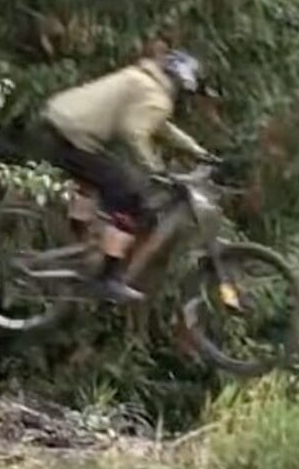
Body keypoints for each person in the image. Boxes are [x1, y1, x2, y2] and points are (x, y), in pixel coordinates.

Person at [38, 49, 217, 303]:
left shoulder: (144, 81)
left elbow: (158, 125)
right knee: (129, 200)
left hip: (60, 127)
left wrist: (197, 151)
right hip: (73, 137)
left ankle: (78, 242)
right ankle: (107, 279)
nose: (184, 100)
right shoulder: (155, 93)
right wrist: (155, 169)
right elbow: (134, 132)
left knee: (94, 182)